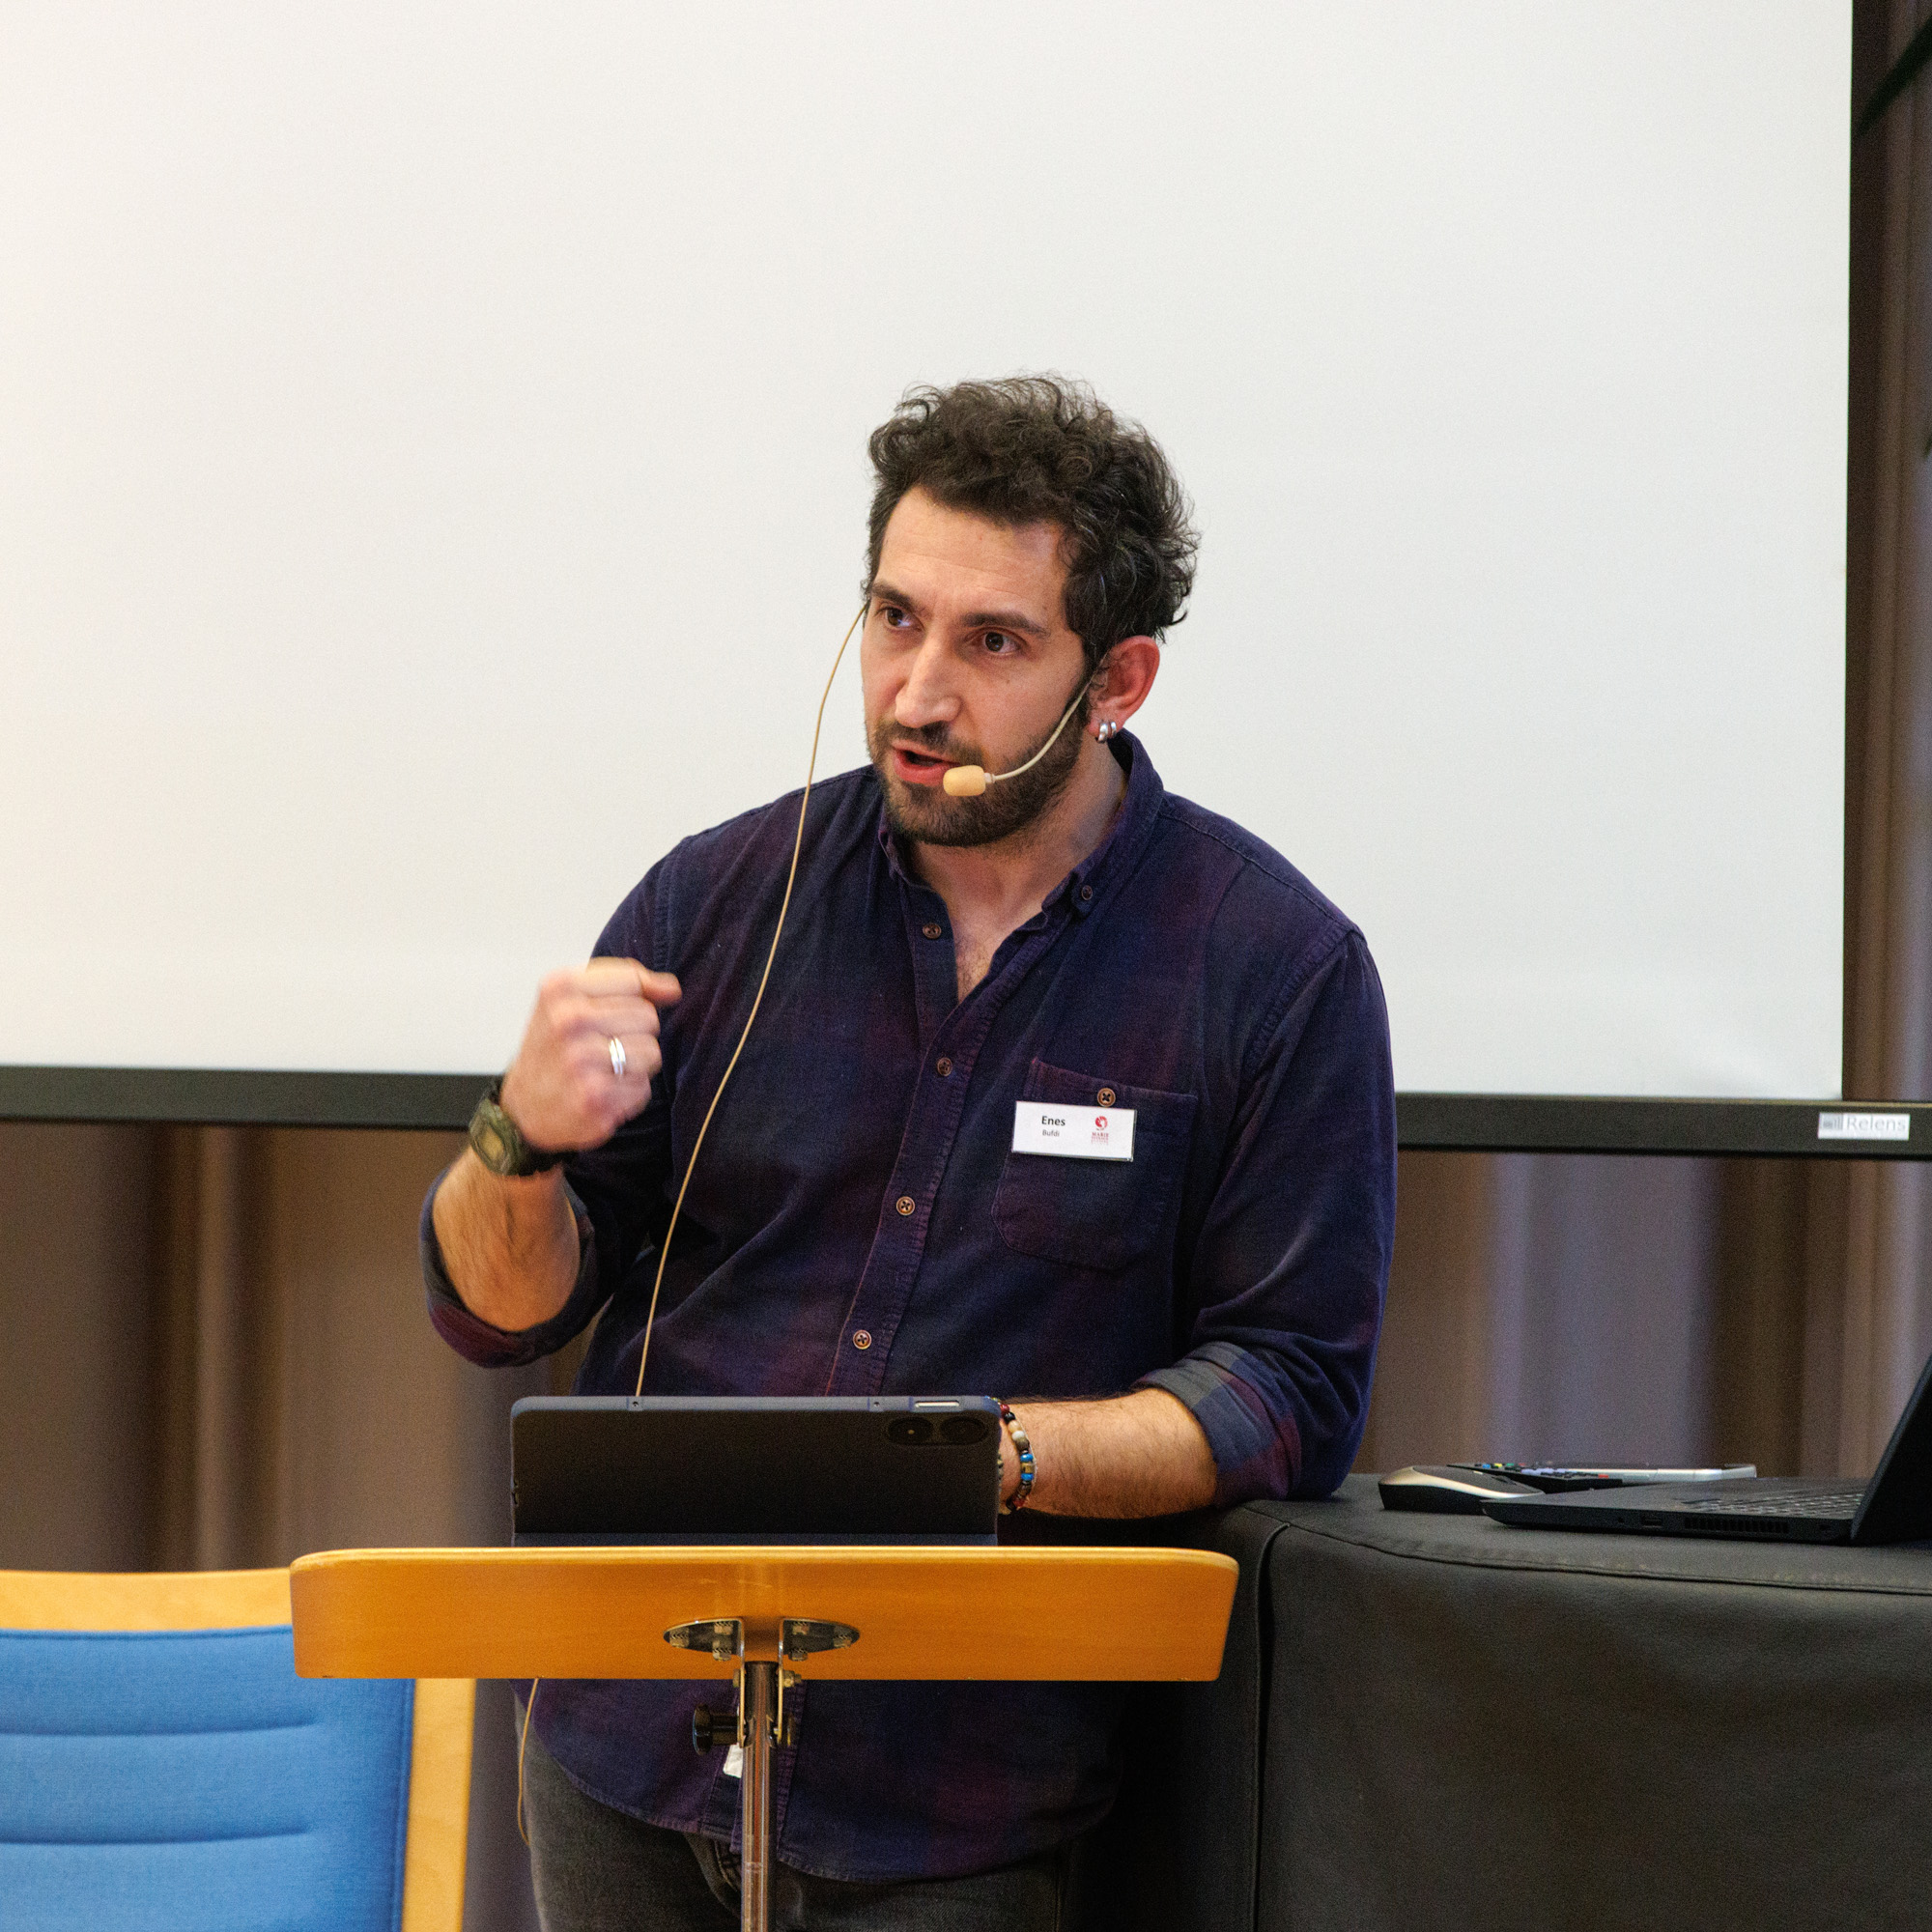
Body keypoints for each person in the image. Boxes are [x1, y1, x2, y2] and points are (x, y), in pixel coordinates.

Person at [422, 376, 1396, 1930]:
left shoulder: (1272, 970)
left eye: (991, 643)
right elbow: (501, 1313)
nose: (917, 697)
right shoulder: (715, 899)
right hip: (625, 1755)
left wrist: (976, 1460)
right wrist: (513, 1144)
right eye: (894, 620)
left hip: (968, 1798)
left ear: (1118, 678)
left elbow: (1287, 1390)